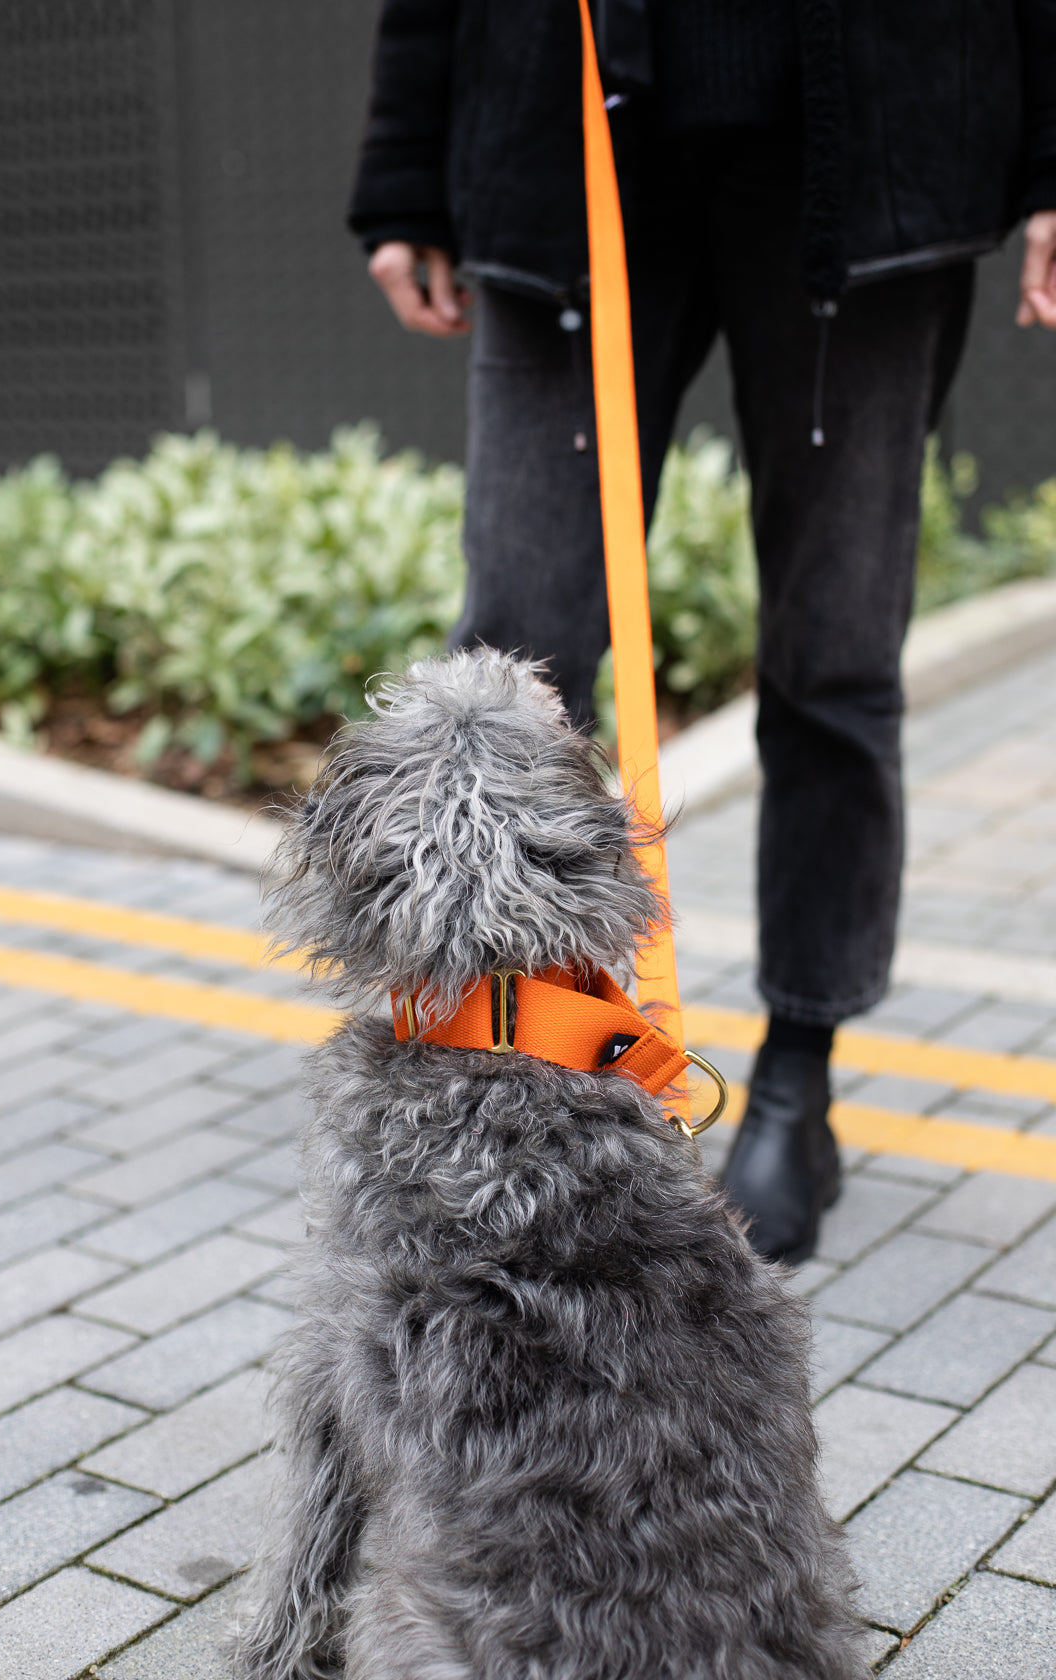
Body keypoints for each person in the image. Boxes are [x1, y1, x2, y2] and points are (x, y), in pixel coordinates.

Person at [347, 0, 1056, 1263]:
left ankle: (798, 1072)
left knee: (832, 661)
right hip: (563, 142)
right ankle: (507, 1052)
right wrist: (405, 169)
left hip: (871, 157)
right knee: (515, 654)